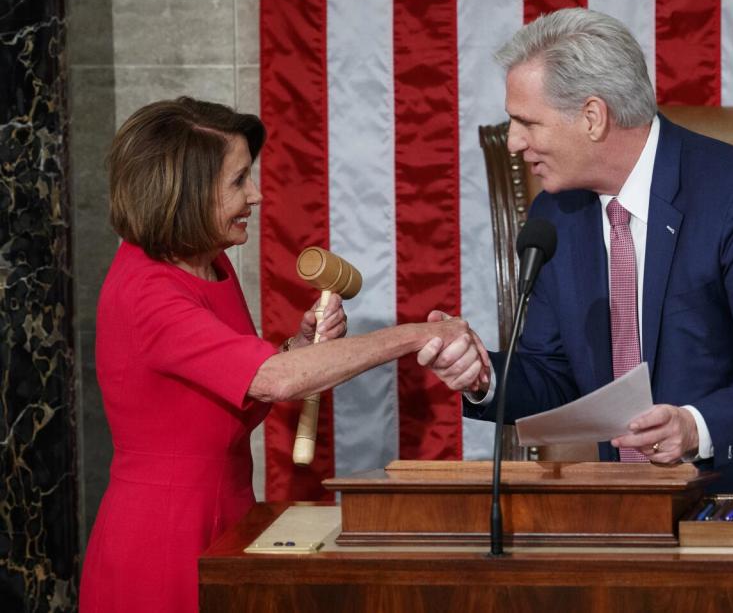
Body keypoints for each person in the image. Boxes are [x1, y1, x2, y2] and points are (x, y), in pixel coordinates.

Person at [419, 8, 733, 612]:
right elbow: (553, 374)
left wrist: (691, 425)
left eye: (526, 121)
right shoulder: (556, 216)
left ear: (592, 116)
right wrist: (484, 376)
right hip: (639, 525)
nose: (513, 141)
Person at [79, 97, 481, 613]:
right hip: (163, 538)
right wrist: (413, 336)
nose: (258, 195)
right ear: (185, 192)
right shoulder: (146, 289)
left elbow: (241, 375)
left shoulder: (211, 264)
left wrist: (299, 344)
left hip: (229, 516)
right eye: (238, 181)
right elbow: (275, 380)